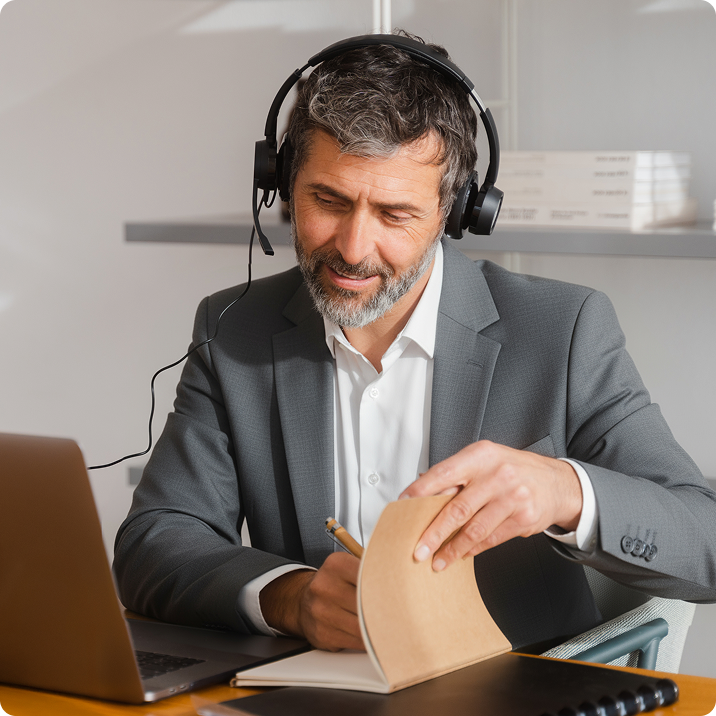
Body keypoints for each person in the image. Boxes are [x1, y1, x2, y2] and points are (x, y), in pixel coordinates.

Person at [114, 32, 716, 655]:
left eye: (394, 214)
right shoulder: (233, 329)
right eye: (328, 200)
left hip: (515, 695)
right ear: (282, 181)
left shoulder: (563, 330)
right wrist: (290, 597)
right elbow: (155, 540)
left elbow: (706, 542)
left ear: (454, 211)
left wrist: (563, 491)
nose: (351, 247)